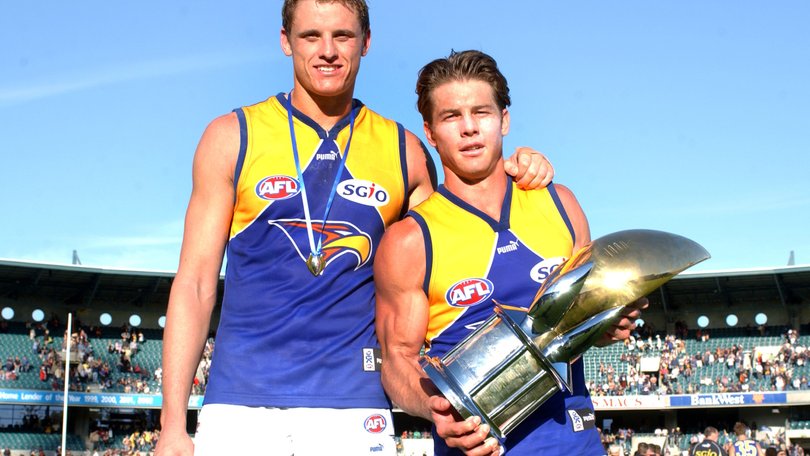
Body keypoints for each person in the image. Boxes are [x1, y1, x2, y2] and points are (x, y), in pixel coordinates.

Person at [155, 2, 555, 455]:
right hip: (241, 404)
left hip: (354, 408)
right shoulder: (232, 136)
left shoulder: (404, 151)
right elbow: (194, 285)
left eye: (343, 36)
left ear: (366, 42)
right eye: (311, 36)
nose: (327, 51)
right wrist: (172, 424)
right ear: (285, 41)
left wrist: (518, 167)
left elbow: (456, 235)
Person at [374, 50, 647, 456]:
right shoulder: (410, 240)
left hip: (576, 443)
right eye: (451, 117)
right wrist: (435, 410)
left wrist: (613, 322)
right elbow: (397, 360)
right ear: (430, 132)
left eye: (481, 112)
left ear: (504, 119)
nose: (469, 128)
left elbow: (585, 325)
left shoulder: (560, 204)